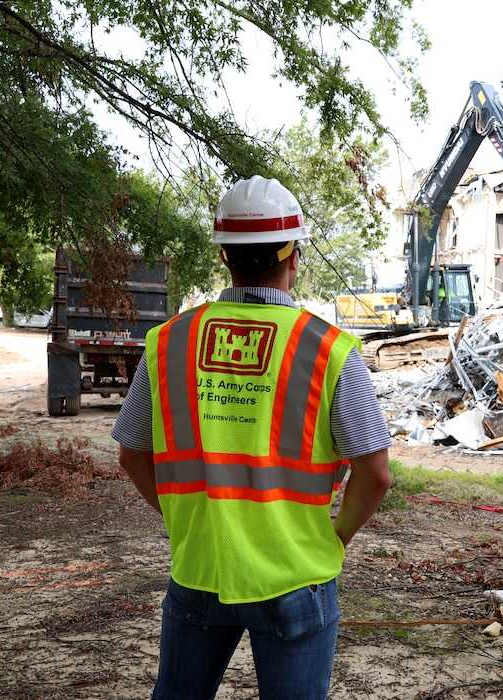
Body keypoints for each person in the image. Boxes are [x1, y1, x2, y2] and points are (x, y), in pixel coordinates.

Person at [111, 175, 392, 700]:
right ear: (294, 255)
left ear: (224, 257)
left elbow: (132, 455)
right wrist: (334, 540)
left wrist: (185, 522)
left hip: (199, 567)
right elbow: (374, 474)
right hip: (294, 574)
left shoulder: (168, 342)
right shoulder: (330, 349)